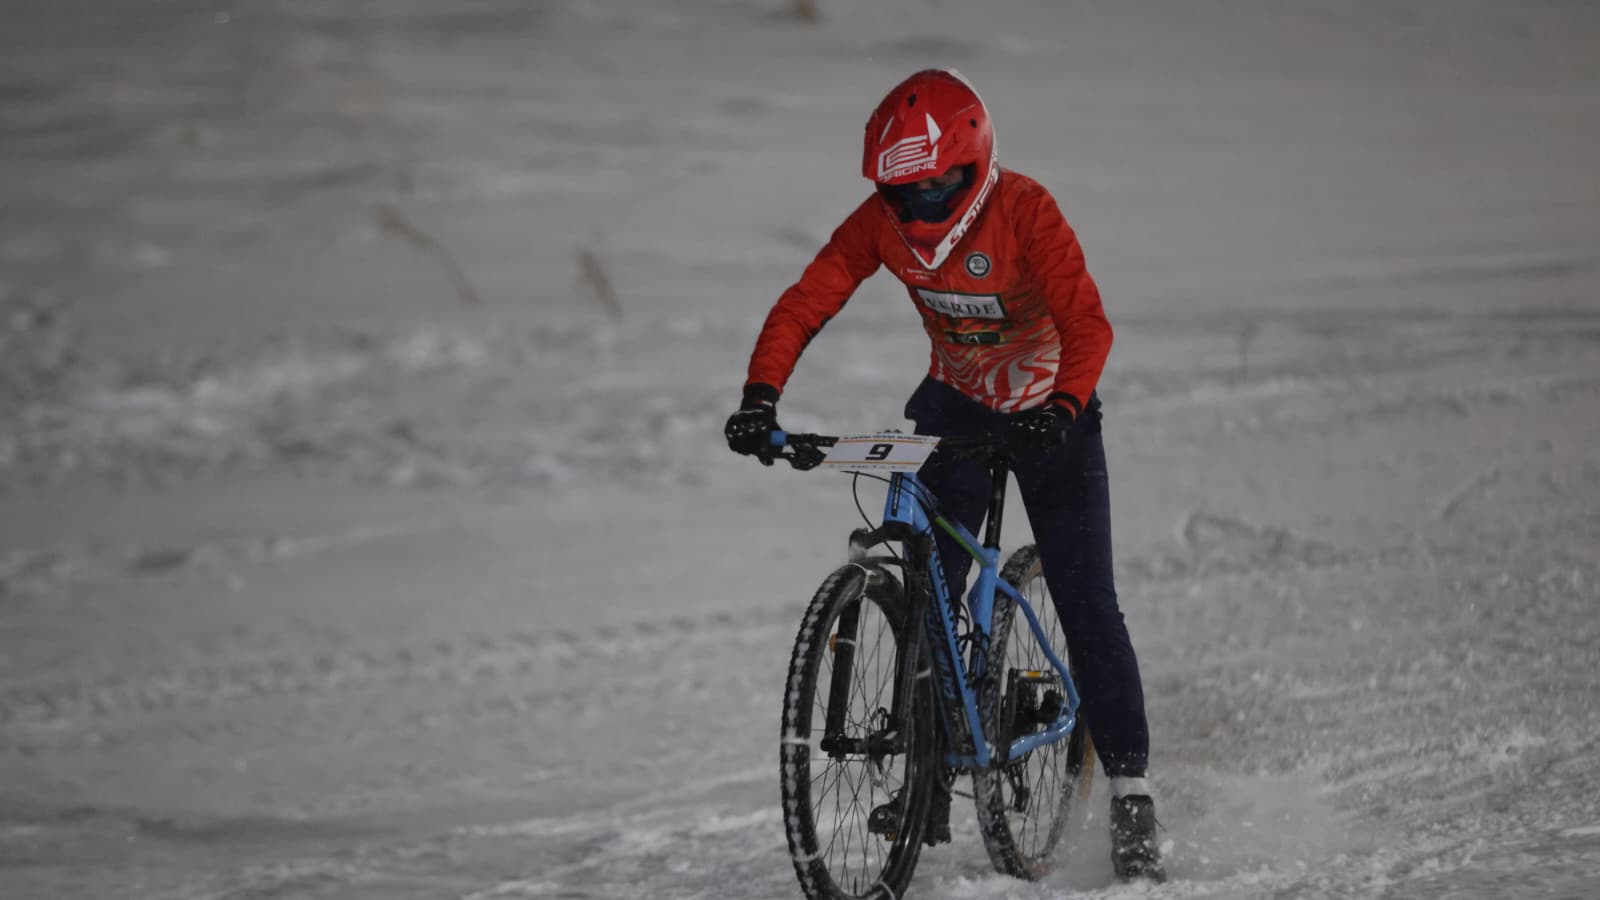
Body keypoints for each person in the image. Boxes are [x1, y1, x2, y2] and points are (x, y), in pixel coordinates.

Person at [723, 68, 1164, 882]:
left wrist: (1064, 406)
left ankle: (1132, 787)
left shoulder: (1026, 210)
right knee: (927, 589)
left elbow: (1087, 322)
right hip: (956, 403)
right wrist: (761, 394)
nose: (922, 207)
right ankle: (931, 755)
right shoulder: (879, 225)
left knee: (1085, 599)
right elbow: (806, 300)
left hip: (1046, 411)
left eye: (939, 188)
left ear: (978, 165)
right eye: (905, 195)